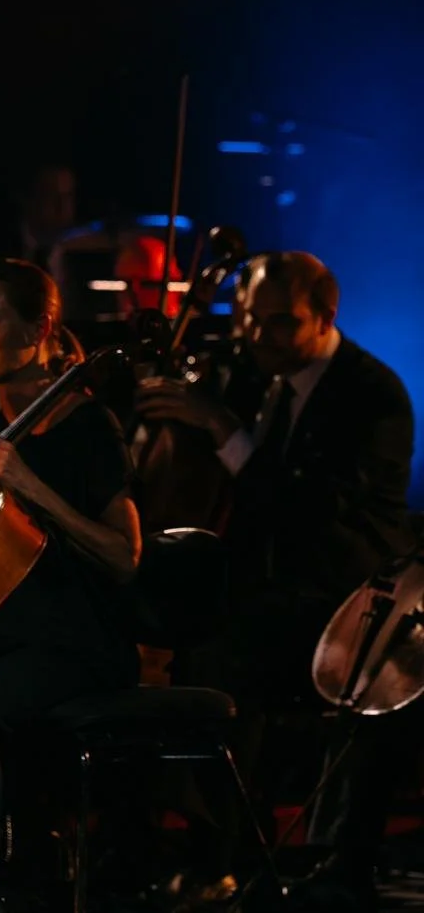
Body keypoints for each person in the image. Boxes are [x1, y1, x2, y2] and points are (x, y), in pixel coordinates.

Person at [134, 250, 416, 910]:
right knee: (158, 638)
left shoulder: (372, 395)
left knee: (221, 659)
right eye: (250, 319)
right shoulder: (253, 372)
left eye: (281, 322)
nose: (259, 336)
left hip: (347, 601)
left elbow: (310, 514)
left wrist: (224, 429)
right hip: (264, 589)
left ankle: (228, 855)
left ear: (325, 317)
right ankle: (175, 848)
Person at [0, 259, 141, 913]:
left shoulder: (89, 426)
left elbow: (124, 557)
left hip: (78, 645)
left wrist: (29, 486)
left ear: (38, 330)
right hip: (2, 636)